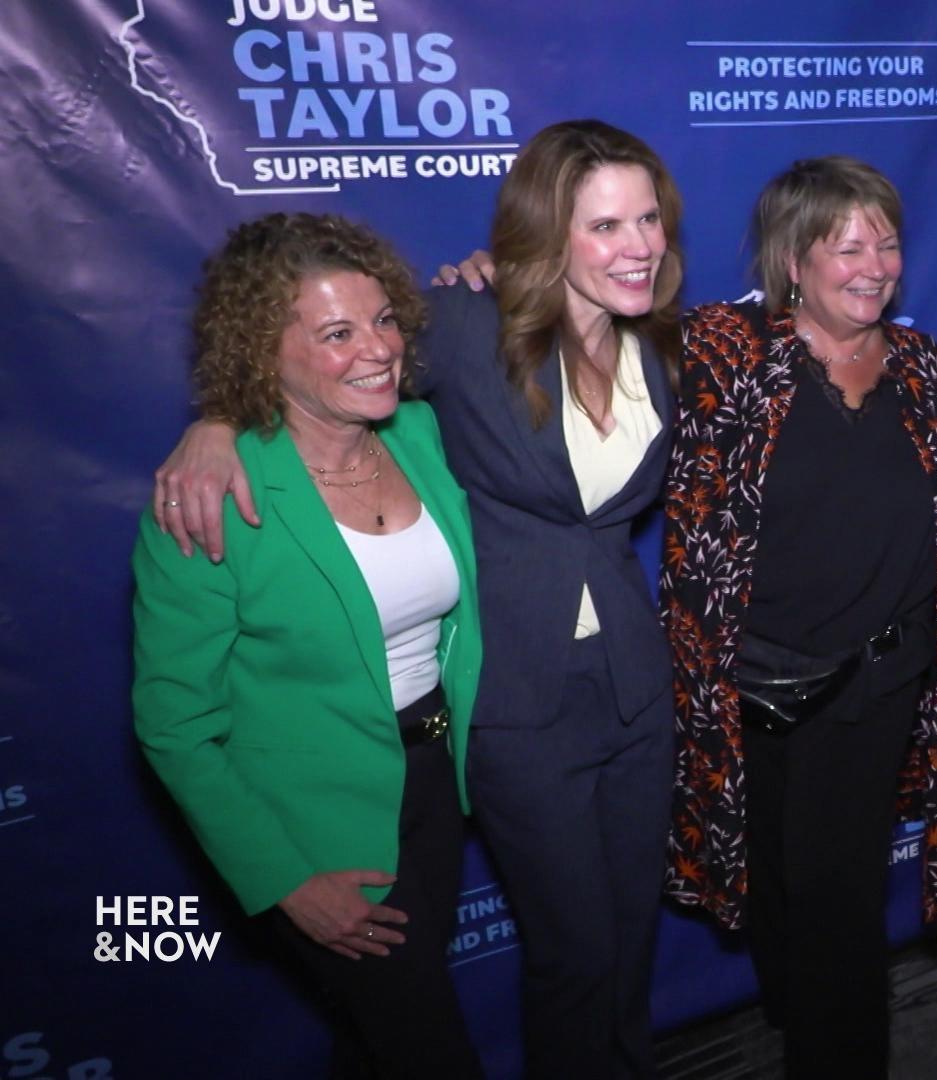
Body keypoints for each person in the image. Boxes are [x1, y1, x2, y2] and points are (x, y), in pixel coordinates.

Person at [151, 119, 684, 1078]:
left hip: (633, 689)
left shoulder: (659, 346)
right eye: (605, 225)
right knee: (572, 957)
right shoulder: (473, 329)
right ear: (549, 233)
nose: (636, 245)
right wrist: (216, 424)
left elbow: (359, 358)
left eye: (648, 219)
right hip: (517, 703)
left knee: (627, 946)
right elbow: (321, 364)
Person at [133, 213, 484, 1078]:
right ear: (263, 351)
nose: (378, 349)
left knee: (376, 1046)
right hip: (314, 828)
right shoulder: (211, 498)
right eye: (337, 333)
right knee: (428, 1052)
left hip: (434, 788)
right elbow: (176, 726)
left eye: (384, 320)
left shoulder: (420, 434)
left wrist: (492, 274)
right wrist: (284, 878)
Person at [659, 157, 937, 1077]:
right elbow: (583, 340)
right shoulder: (723, 349)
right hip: (752, 685)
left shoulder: (920, 366)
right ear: (794, 261)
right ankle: (793, 1010)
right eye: (849, 247)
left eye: (888, 243)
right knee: (771, 878)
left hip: (877, 684)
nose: (876, 266)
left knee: (839, 903)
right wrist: (492, 280)